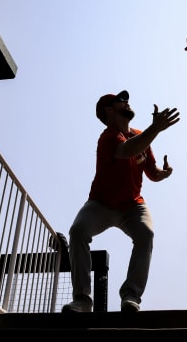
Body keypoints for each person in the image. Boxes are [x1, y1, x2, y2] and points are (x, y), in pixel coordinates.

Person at [62, 90, 180, 313]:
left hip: (132, 206)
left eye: (127, 100)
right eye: (120, 101)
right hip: (101, 204)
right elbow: (126, 150)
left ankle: (131, 296)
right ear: (108, 110)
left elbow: (151, 172)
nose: (127, 102)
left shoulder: (140, 135)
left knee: (145, 234)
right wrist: (155, 128)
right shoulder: (108, 136)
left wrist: (162, 173)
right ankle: (82, 301)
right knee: (78, 231)